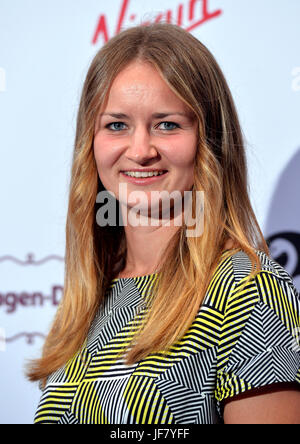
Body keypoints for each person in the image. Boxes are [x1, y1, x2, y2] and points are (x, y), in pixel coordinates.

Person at [27, 22, 300, 424]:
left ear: (209, 139)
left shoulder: (247, 290)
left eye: (167, 124)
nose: (140, 151)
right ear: (92, 140)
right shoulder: (94, 291)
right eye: (116, 125)